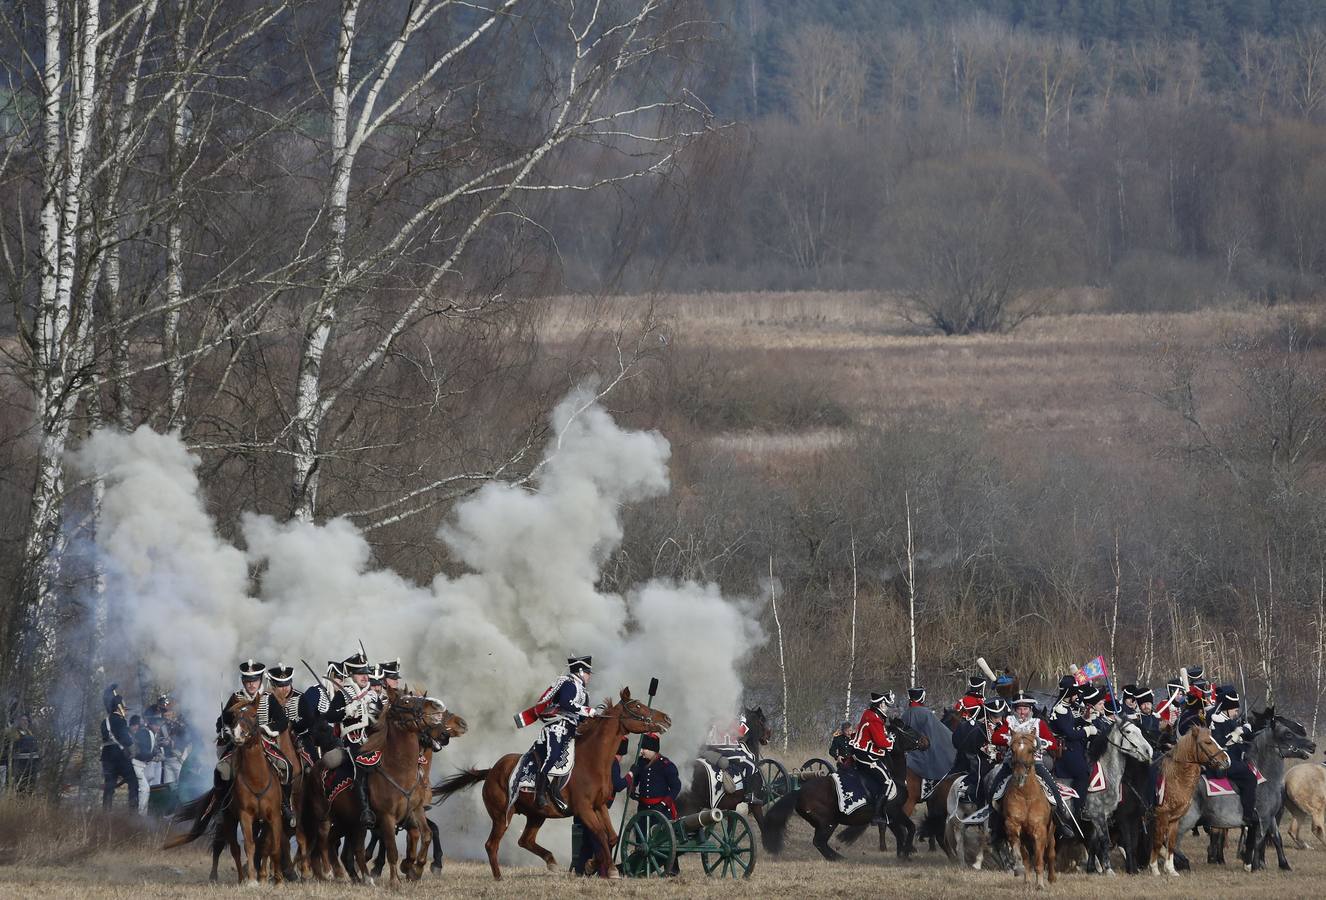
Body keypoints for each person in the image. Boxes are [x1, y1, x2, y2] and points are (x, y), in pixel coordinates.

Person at [514, 655, 601, 814]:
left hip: (572, 729)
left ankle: (555, 787)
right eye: (588, 673)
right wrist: (587, 710)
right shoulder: (568, 684)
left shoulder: (584, 692)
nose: (589, 676)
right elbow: (565, 703)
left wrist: (593, 717)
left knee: (575, 760)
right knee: (553, 756)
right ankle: (540, 792)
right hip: (558, 727)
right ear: (580, 671)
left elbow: (581, 716)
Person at [990, 695, 1074, 839]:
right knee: (993, 789)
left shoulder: (1038, 723)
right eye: (1019, 709)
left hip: (1035, 763)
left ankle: (1061, 823)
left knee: (1053, 788)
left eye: (1025, 709)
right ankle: (994, 825)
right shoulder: (1009, 722)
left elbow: (1053, 743)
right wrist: (1014, 740)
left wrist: (1036, 742)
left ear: (1030, 710)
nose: (1022, 712)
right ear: (1015, 710)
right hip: (1011, 763)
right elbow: (995, 738)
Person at [1209, 689, 1260, 861]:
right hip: (1223, 762)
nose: (1236, 712)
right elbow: (1218, 743)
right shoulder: (1216, 721)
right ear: (1226, 708)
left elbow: (1248, 738)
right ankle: (1247, 814)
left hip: (1236, 759)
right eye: (1234, 709)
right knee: (1250, 777)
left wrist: (1246, 728)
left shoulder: (1230, 721)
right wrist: (1235, 734)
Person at [573, 738, 631, 876]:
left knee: (588, 841)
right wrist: (631, 775)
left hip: (588, 806)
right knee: (599, 839)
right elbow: (617, 785)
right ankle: (603, 871)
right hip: (596, 808)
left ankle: (580, 870)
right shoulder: (613, 763)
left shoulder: (600, 761)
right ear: (621, 753)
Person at [850, 691, 896, 820]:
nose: (887, 707)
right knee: (887, 781)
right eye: (886, 705)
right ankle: (877, 814)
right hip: (865, 755)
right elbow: (881, 742)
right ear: (881, 704)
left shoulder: (869, 713)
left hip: (860, 751)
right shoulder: (874, 718)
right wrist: (891, 741)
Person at [900, 686, 955, 784]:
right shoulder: (926, 713)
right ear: (922, 697)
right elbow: (938, 733)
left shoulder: (905, 714)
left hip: (908, 753)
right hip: (923, 752)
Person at [948, 694, 992, 804]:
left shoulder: (961, 726)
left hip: (959, 762)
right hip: (975, 762)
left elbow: (955, 743)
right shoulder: (981, 727)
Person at [100, 685, 138, 811]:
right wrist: (132, 749)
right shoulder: (120, 721)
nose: (125, 712)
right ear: (120, 706)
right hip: (119, 756)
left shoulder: (104, 722)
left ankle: (106, 812)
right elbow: (124, 738)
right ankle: (133, 812)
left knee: (109, 786)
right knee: (133, 782)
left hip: (106, 756)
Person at [4, 714, 39, 793]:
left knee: (29, 789)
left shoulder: (30, 733)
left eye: (26, 720)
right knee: (18, 789)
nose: (25, 722)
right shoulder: (14, 732)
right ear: (18, 721)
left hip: (30, 767)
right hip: (18, 766)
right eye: (23, 720)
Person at [130, 715, 156, 815]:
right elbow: (144, 751)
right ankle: (141, 815)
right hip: (137, 763)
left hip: (141, 764)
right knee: (145, 789)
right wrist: (152, 756)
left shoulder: (145, 733)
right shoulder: (143, 733)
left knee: (143, 788)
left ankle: (140, 813)